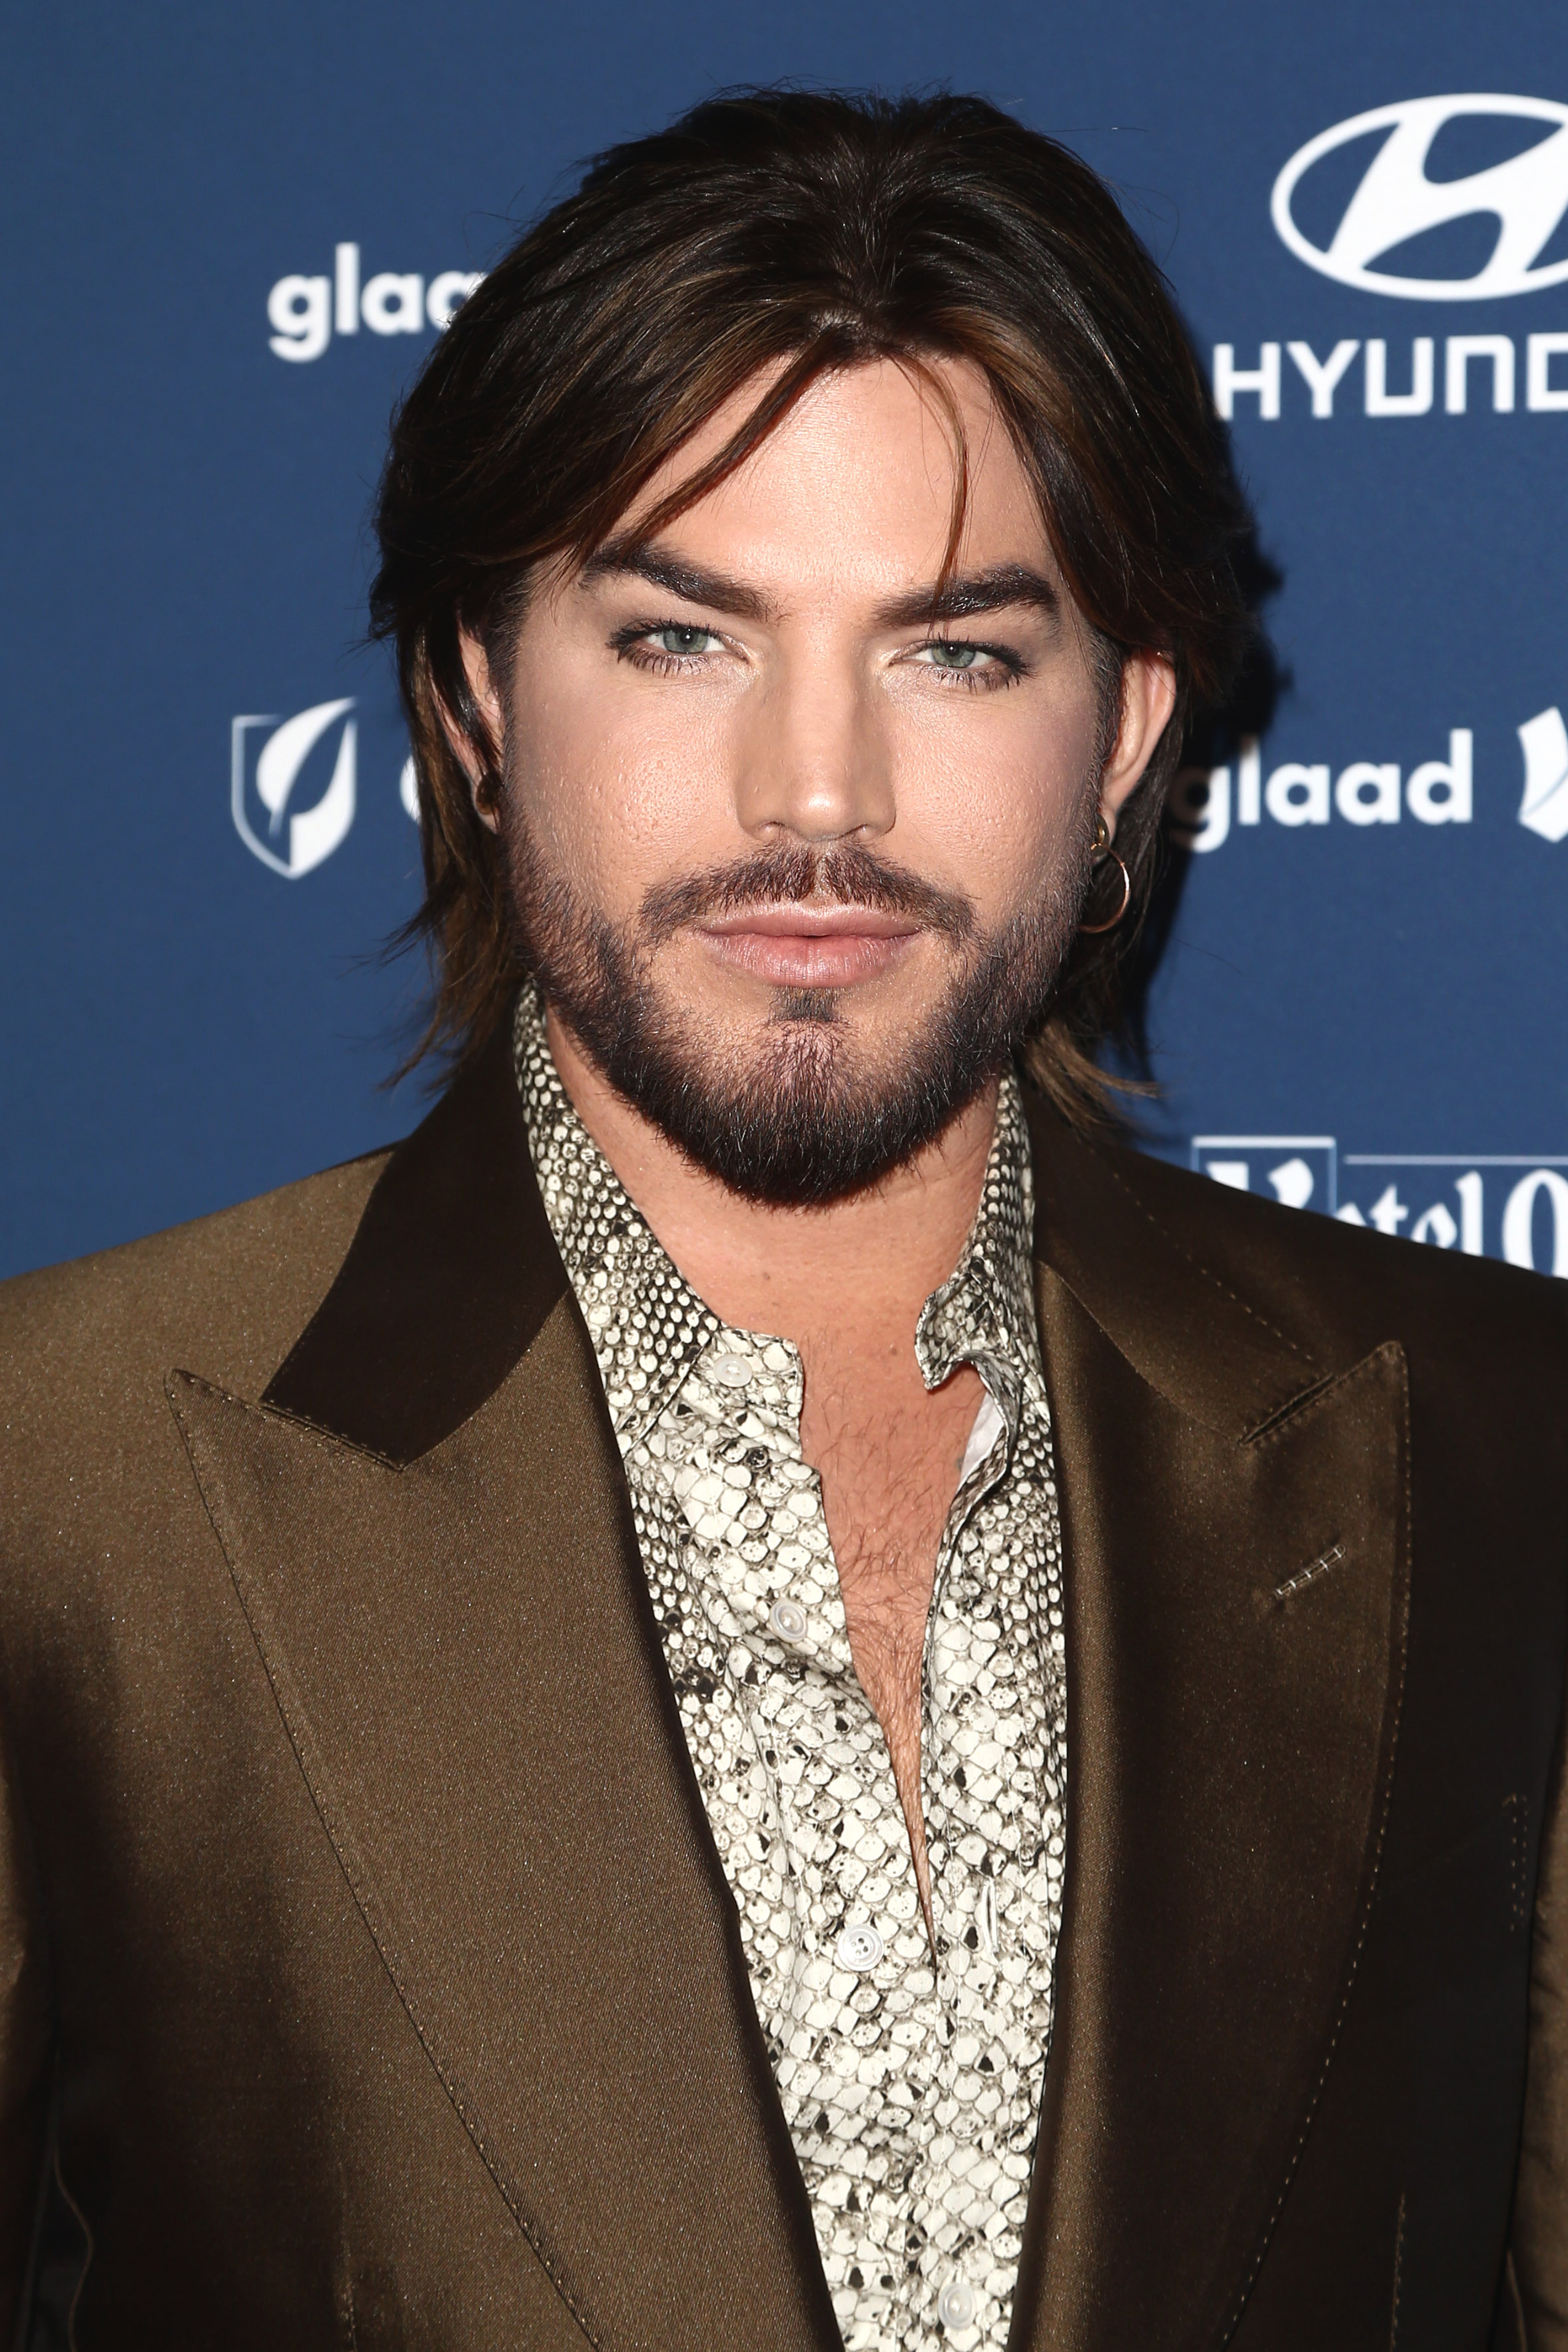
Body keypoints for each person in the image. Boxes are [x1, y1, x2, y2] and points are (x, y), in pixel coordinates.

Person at [0, 88, 1563, 2352]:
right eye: (680, 637)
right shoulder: (64, 1489)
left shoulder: (1496, 1454)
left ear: (1125, 729)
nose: (812, 796)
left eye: (954, 651)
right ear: (471, 693)